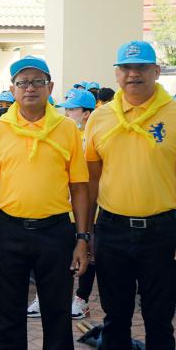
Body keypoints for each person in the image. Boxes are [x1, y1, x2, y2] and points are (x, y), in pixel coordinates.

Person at [84, 41, 176, 350]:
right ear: (117, 73)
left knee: (159, 322)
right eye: (125, 68)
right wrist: (85, 233)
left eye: (141, 68)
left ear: (156, 71)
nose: (132, 74)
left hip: (162, 233)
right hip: (113, 230)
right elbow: (91, 179)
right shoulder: (101, 117)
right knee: (115, 320)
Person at [0, 57, 90, 350]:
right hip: (8, 230)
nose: (30, 88)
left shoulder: (66, 129)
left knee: (57, 316)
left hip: (55, 232)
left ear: (50, 87)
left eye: (37, 81)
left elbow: (79, 185)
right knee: (10, 316)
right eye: (22, 82)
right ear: (12, 89)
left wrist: (82, 238)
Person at [58, 88, 98, 319]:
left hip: (88, 207)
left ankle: (82, 299)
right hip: (64, 206)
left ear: (86, 113)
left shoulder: (92, 137)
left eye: (72, 109)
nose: (67, 113)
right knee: (59, 255)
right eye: (66, 109)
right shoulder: (63, 134)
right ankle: (47, 296)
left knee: (87, 253)